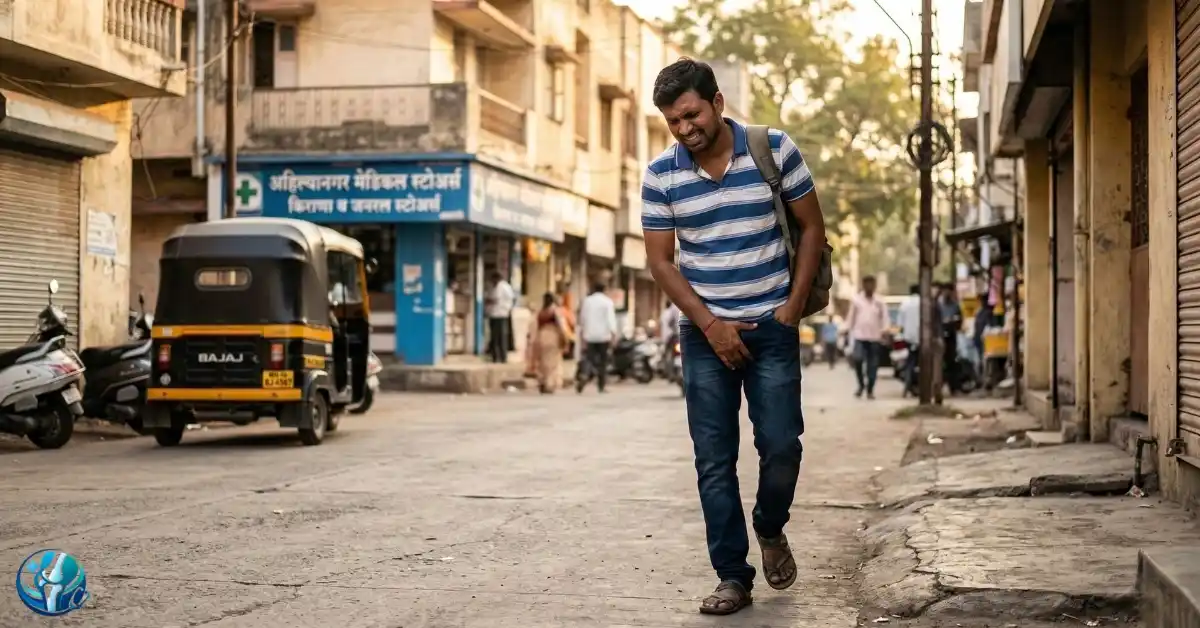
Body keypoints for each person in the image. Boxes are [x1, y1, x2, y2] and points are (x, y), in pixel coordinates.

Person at [641, 58, 827, 615]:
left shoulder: (772, 149)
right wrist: (711, 324)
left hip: (773, 327)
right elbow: (661, 262)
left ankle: (770, 527)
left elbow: (812, 226)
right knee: (713, 460)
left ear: (718, 103)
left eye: (692, 114)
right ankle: (732, 576)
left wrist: (791, 310)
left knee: (781, 446)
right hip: (704, 336)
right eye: (673, 121)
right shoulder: (661, 175)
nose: (684, 129)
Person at [846, 275, 889, 399]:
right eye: (867, 284)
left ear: (875, 286)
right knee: (858, 359)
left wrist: (885, 330)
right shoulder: (856, 300)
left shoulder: (880, 301)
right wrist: (846, 330)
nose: (869, 287)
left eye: (872, 284)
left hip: (875, 337)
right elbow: (851, 317)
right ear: (863, 285)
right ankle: (861, 385)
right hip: (860, 336)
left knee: (873, 365)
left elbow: (885, 318)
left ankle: (870, 389)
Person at [575, 281, 618, 393]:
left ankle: (584, 375)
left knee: (589, 358)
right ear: (604, 290)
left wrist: (582, 334)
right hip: (604, 336)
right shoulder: (607, 302)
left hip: (589, 335)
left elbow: (582, 319)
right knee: (602, 362)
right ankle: (601, 385)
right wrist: (613, 334)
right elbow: (610, 320)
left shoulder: (587, 301)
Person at [529, 293, 568, 394]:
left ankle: (542, 381)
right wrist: (565, 339)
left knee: (542, 362)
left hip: (541, 336)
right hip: (553, 336)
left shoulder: (541, 312)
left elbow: (534, 326)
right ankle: (549, 384)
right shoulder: (555, 311)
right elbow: (561, 326)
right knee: (552, 362)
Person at [485, 271, 515, 364]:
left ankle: (497, 357)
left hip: (497, 314)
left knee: (496, 337)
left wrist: (487, 300)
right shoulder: (507, 286)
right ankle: (502, 356)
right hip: (503, 314)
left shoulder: (500, 286)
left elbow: (495, 298)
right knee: (501, 337)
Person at [899, 283, 921, 393]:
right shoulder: (925, 302)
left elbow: (901, 325)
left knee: (910, 362)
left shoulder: (904, 303)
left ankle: (907, 386)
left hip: (909, 337)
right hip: (923, 338)